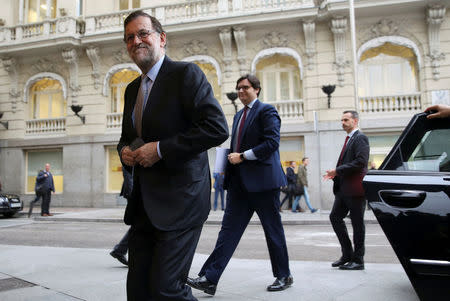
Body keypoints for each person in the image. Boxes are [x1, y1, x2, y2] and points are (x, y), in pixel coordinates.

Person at [117, 11, 228, 300]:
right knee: (138, 291)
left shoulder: (186, 74)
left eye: (143, 33)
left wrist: (160, 149)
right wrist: (125, 153)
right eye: (130, 37)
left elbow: (216, 128)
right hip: (143, 206)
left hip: (181, 202)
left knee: (168, 290)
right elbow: (125, 139)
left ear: (161, 38)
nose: (136, 41)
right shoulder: (131, 89)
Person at [187, 74, 293, 295]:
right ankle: (210, 278)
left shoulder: (267, 111)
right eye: (238, 89)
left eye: (245, 88)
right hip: (239, 185)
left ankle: (284, 275)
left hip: (264, 184)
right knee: (227, 233)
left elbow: (272, 143)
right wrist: (226, 163)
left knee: (273, 231)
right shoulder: (237, 116)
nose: (241, 92)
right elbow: (236, 146)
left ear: (257, 89)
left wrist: (243, 156)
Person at [324, 110, 369, 270]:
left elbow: (361, 162)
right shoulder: (349, 139)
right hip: (343, 189)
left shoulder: (360, 138)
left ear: (355, 121)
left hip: (355, 190)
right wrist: (335, 175)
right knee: (335, 217)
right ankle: (347, 255)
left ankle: (358, 260)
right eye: (342, 120)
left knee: (358, 225)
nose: (343, 122)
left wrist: (338, 170)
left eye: (346, 120)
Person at [110, 167, 133, 266]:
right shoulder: (131, 152)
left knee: (141, 224)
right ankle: (120, 250)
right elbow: (128, 174)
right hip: (134, 194)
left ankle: (120, 250)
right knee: (141, 224)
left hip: (138, 193)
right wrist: (134, 195)